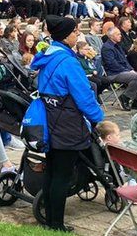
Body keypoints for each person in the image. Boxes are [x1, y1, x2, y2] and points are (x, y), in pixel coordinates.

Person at [31, 15, 104, 232]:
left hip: (50, 118)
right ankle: (56, 224)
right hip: (67, 122)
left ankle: (48, 220)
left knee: (52, 172)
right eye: (75, 32)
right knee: (62, 176)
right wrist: (98, 117)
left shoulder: (48, 55)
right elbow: (84, 96)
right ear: (65, 36)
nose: (77, 35)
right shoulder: (68, 62)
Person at [101, 26, 137, 110]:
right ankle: (125, 97)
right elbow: (112, 64)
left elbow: (125, 61)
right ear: (111, 36)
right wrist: (127, 70)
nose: (120, 36)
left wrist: (131, 69)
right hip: (114, 73)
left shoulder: (118, 46)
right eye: (118, 34)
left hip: (124, 71)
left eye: (120, 34)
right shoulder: (107, 48)